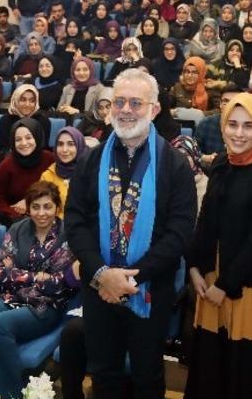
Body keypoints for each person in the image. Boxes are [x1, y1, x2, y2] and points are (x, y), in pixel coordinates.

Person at [65, 68, 196, 398]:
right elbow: (75, 221)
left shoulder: (175, 165)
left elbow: (179, 234)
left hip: (150, 289)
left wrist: (129, 278)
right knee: (103, 373)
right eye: (119, 102)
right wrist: (102, 274)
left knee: (146, 376)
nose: (125, 110)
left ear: (154, 109)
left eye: (136, 103)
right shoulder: (90, 160)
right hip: (98, 288)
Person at [184, 92, 252, 399]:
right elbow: (205, 221)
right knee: (211, 368)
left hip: (246, 285)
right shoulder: (220, 163)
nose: (239, 133)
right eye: (233, 124)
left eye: (248, 126)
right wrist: (194, 267)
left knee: (245, 372)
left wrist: (225, 285)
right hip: (211, 280)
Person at [0, 180, 77, 399]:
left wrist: (18, 274)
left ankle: (6, 395)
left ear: (57, 207)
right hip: (10, 297)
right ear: (28, 208)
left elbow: (60, 285)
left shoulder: (68, 235)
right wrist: (37, 277)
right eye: (36, 207)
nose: (41, 213)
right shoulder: (17, 229)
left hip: (45, 307)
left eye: (48, 207)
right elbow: (0, 273)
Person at [0, 117, 55, 226]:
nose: (24, 143)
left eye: (28, 138)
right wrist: (15, 215)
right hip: (17, 220)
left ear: (37, 137)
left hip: (47, 214)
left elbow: (58, 190)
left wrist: (29, 202)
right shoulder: (6, 165)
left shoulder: (50, 160)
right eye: (18, 140)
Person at [39, 126, 87, 216]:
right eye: (60, 144)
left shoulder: (89, 173)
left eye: (71, 144)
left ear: (79, 146)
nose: (64, 150)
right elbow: (45, 210)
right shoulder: (47, 176)